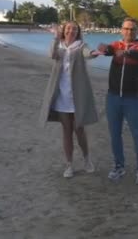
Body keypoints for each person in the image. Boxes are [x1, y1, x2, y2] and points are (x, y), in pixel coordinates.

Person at [38, 21, 100, 178]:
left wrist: (96, 52)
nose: (71, 31)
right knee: (66, 130)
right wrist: (55, 37)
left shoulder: (81, 45)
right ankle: (69, 165)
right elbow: (51, 54)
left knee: (79, 130)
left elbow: (88, 53)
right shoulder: (58, 45)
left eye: (74, 29)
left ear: (78, 31)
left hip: (77, 95)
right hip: (62, 95)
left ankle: (87, 159)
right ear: (64, 30)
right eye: (68, 28)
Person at [96, 17, 138, 185]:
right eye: (126, 29)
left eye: (132, 29)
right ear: (121, 30)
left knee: (137, 134)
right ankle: (119, 166)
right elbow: (107, 49)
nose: (129, 32)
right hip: (113, 97)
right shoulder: (116, 44)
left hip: (132, 98)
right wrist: (102, 48)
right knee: (115, 134)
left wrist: (126, 52)